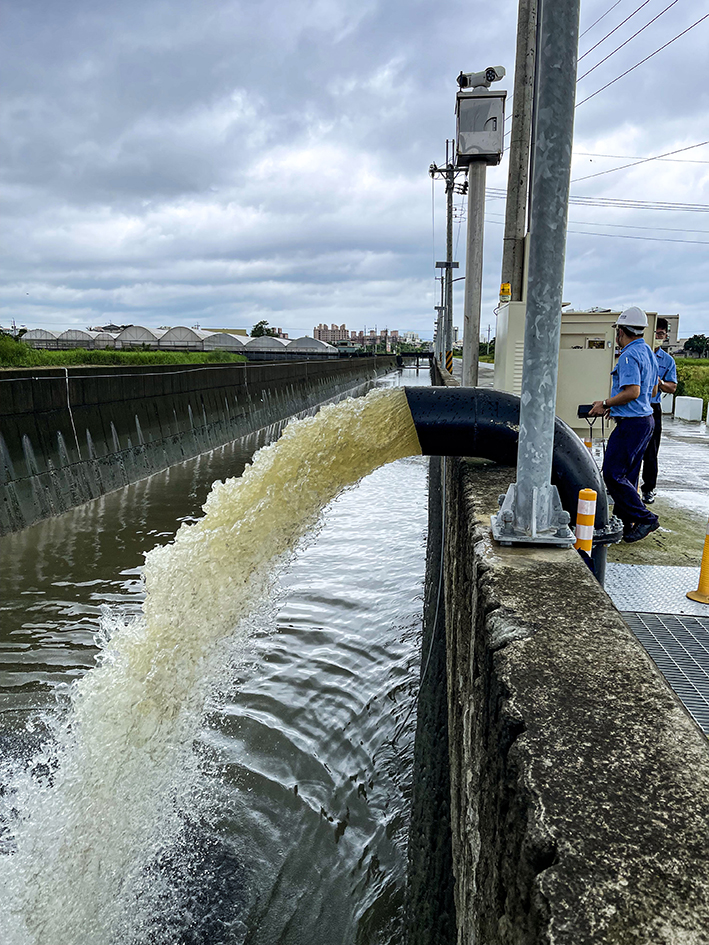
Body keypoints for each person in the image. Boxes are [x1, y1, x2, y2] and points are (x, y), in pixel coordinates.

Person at [589, 306, 659, 543]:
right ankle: (625, 522)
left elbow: (632, 391)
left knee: (613, 474)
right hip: (645, 421)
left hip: (632, 425)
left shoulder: (628, 355)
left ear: (620, 331)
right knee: (628, 476)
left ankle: (646, 519)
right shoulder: (648, 352)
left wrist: (606, 403)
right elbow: (652, 390)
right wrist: (617, 408)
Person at [640, 317, 677, 505]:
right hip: (635, 405)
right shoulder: (638, 353)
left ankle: (648, 488)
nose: (658, 337)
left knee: (651, 451)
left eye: (662, 334)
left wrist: (659, 382)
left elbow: (672, 386)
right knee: (630, 448)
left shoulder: (667, 360)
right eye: (656, 334)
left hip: (653, 407)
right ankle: (625, 486)